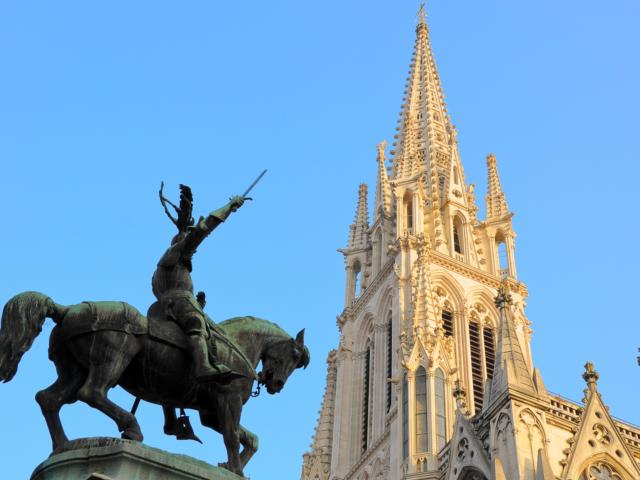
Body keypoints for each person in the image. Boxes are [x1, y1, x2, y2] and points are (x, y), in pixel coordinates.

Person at [151, 189, 246, 382]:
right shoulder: (176, 253)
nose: (192, 253)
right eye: (190, 249)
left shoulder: (163, 269)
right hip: (178, 302)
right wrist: (229, 207)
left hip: (163, 308)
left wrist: (197, 304)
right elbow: (205, 228)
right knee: (196, 322)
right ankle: (203, 367)